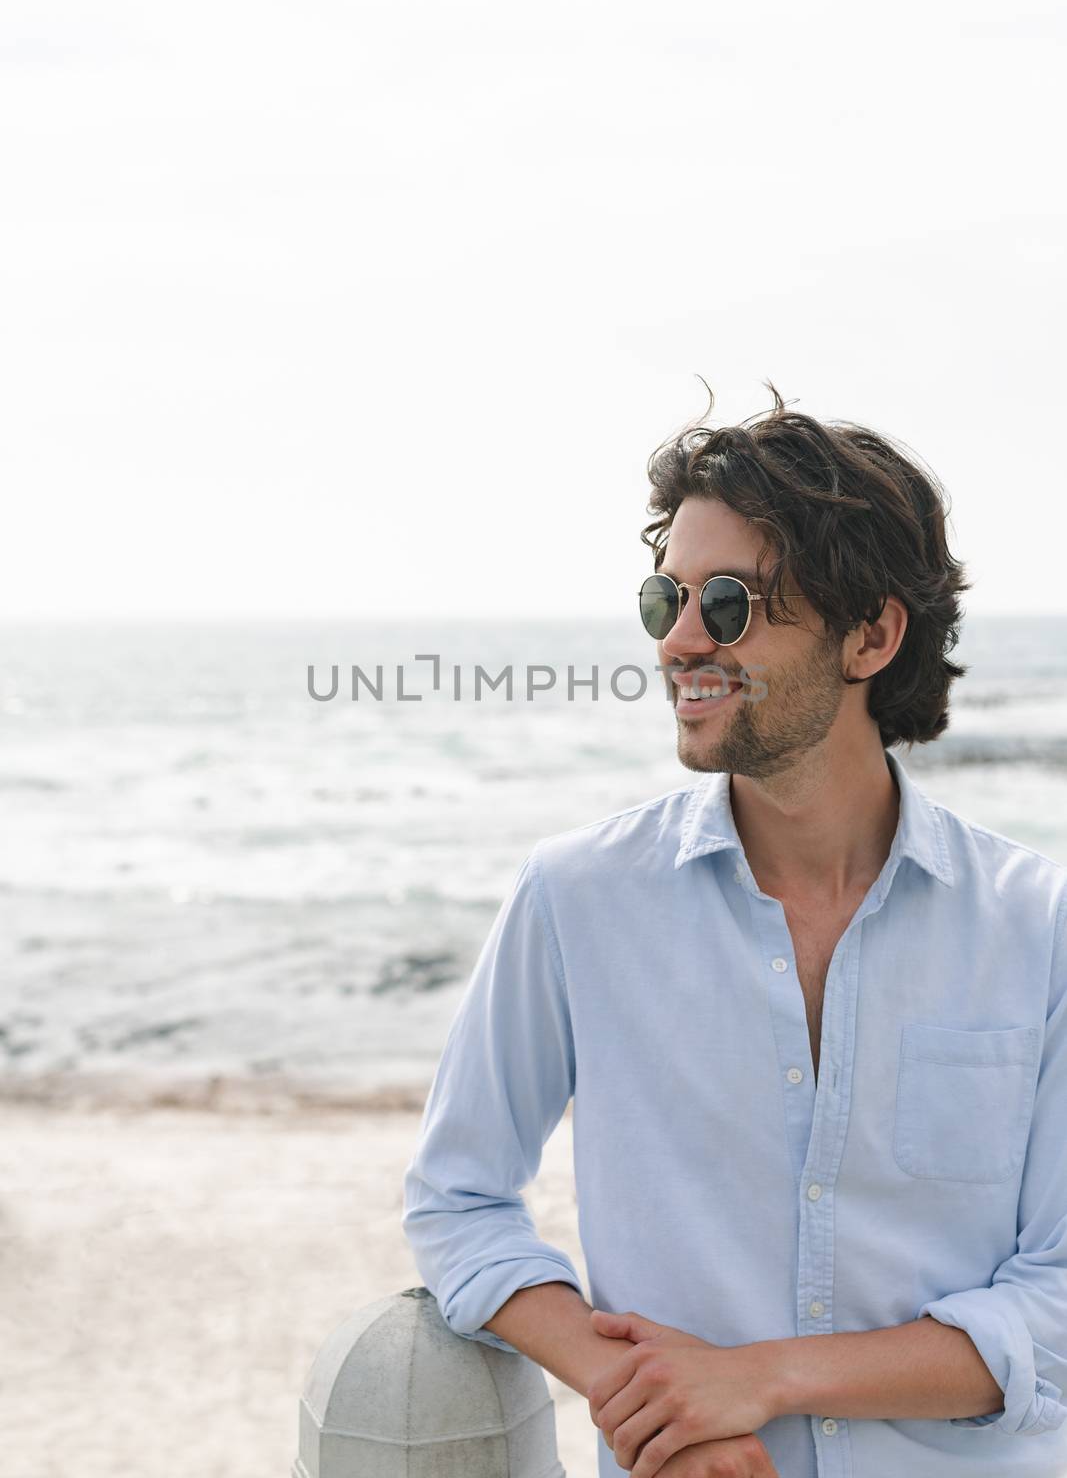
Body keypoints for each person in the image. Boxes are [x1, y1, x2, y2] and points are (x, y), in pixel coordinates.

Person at [401, 388, 1067, 1478]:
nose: (677, 640)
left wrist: (762, 1377)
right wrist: (656, 1400)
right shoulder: (576, 899)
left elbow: (1053, 1301)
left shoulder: (1034, 927)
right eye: (663, 596)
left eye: (728, 602)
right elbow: (457, 1196)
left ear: (870, 635)